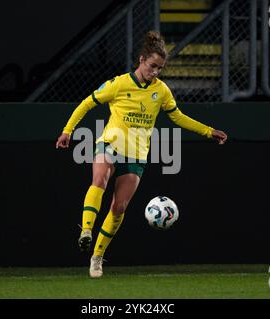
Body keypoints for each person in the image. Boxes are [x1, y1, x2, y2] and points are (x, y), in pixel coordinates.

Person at [56, 31, 227, 278]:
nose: (155, 71)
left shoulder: (162, 91)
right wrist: (67, 131)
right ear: (141, 60)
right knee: (99, 180)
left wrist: (208, 131)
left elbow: (178, 117)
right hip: (110, 144)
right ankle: (86, 230)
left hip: (137, 154)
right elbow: (87, 103)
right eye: (152, 66)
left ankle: (97, 257)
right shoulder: (118, 84)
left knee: (119, 207)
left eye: (160, 68)